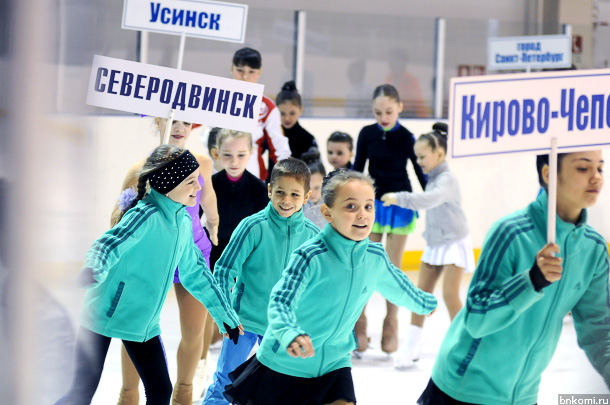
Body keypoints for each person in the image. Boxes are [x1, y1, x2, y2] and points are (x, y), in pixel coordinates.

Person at [223, 169, 437, 405]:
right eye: (351, 206)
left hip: (335, 362)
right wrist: (289, 332)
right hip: (285, 362)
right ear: (327, 213)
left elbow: (399, 287)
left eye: (368, 206)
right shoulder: (310, 256)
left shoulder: (375, 258)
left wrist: (424, 302)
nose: (362, 214)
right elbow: (281, 300)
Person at [55, 145, 243, 405]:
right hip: (104, 311)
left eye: (197, 180)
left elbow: (198, 273)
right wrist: (94, 268)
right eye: (190, 181)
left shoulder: (182, 222)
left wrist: (225, 316)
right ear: (169, 185)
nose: (198, 187)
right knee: (81, 392)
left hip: (142, 320)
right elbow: (109, 244)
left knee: (160, 391)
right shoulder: (144, 215)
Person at [418, 150, 609, 404]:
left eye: (600, 168)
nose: (596, 177)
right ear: (549, 173)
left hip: (523, 396)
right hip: (463, 389)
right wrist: (531, 282)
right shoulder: (510, 233)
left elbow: (599, 332)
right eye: (583, 168)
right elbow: (476, 319)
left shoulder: (593, 249)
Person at [110, 119, 219, 405]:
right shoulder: (140, 169)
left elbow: (208, 198)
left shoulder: (202, 163)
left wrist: (215, 223)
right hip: (151, 258)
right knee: (136, 327)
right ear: (159, 120)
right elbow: (118, 217)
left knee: (194, 329)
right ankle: (128, 394)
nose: (179, 127)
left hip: (192, 251)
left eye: (186, 122)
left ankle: (184, 393)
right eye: (173, 119)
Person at [203, 157, 319, 405]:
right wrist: (225, 314)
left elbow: (319, 284)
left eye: (295, 194)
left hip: (282, 328)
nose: (286, 200)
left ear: (306, 197)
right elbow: (223, 271)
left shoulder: (313, 236)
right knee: (226, 381)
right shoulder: (252, 227)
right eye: (280, 192)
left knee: (277, 387)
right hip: (243, 321)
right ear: (269, 190)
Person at [381, 122, 475, 369]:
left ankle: (465, 345)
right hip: (435, 242)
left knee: (450, 294)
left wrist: (399, 198)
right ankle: (412, 346)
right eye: (417, 157)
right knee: (420, 296)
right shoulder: (433, 177)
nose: (419, 161)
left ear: (439, 154)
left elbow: (429, 200)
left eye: (422, 157)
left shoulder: (447, 179)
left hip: (454, 241)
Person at [352, 84, 427, 354]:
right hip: (371, 205)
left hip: (400, 205)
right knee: (365, 264)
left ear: (400, 108)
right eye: (378, 112)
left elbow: (420, 171)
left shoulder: (407, 137)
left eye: (389, 111)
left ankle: (391, 324)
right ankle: (359, 324)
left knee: (393, 268)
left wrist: (434, 198)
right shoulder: (367, 134)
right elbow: (357, 170)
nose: (383, 117)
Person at [198, 129, 269, 399]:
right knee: (208, 314)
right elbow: (197, 217)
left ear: (251, 154)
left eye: (241, 155)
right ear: (216, 154)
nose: (234, 161)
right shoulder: (209, 183)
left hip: (246, 265)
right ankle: (202, 365)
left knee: (240, 320)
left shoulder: (259, 189)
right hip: (213, 255)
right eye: (227, 155)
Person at [230, 47, 291, 181]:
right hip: (216, 175)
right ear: (231, 68)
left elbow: (280, 149)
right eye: (240, 70)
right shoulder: (215, 99)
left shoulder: (266, 107)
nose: (245, 77)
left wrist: (284, 179)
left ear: (259, 72)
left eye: (251, 72)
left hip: (252, 177)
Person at [275, 80, 319, 161]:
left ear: (300, 110)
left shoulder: (308, 139)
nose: (287, 118)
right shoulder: (272, 135)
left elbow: (315, 166)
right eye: (282, 113)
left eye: (292, 113)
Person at [303, 160, 327, 229]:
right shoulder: (297, 206)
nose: (312, 194)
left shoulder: (334, 205)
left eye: (316, 188)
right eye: (308, 188)